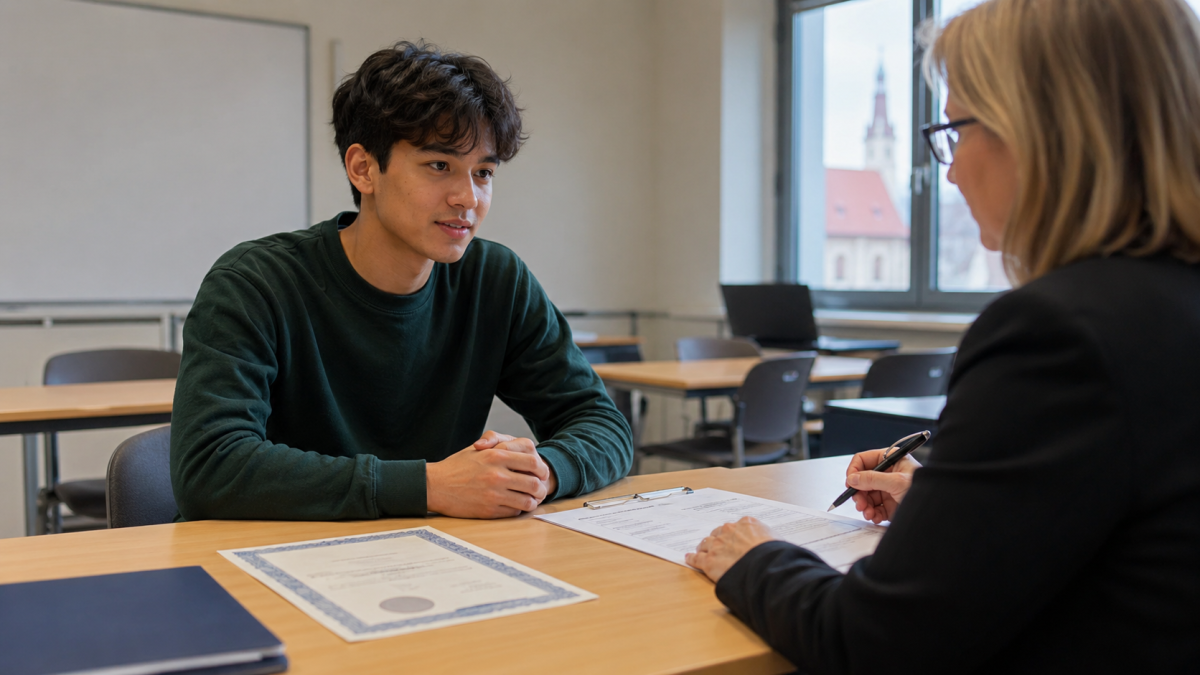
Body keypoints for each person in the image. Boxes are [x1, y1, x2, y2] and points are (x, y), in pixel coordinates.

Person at [686, 0, 1200, 671]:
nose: (949, 172)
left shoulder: (1057, 333)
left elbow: (876, 642)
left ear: (1038, 127)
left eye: (955, 130)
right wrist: (953, 509)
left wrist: (755, 559)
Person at [170, 41, 632, 521]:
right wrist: (429, 486)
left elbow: (601, 423)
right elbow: (209, 467)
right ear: (364, 169)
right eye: (439, 166)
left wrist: (539, 473)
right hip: (270, 551)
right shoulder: (254, 283)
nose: (468, 198)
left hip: (433, 552)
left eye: (483, 172)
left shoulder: (496, 280)